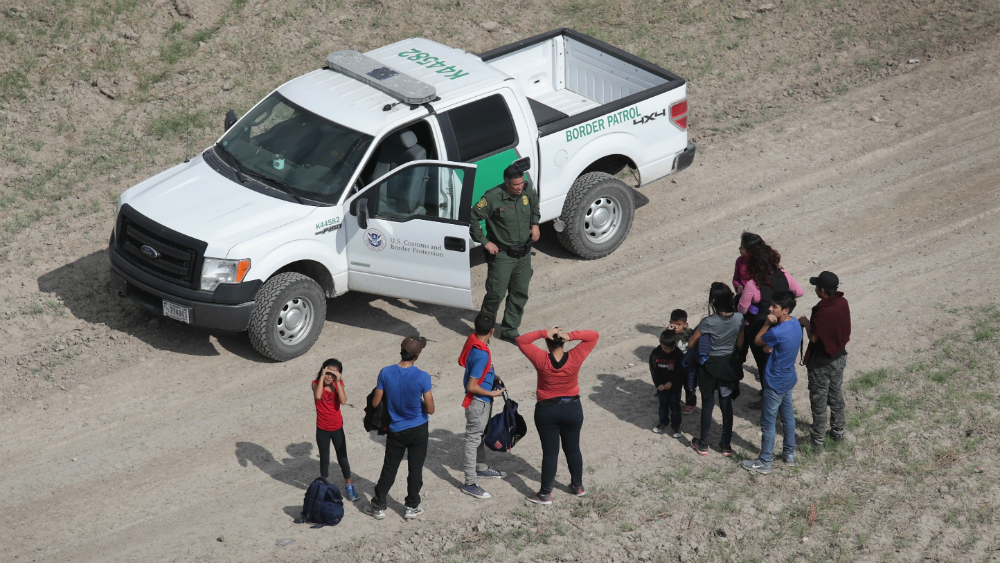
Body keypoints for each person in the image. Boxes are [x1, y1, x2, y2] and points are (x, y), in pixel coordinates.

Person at [516, 326, 599, 504]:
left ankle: (545, 493)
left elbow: (521, 340)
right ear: (563, 341)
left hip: (547, 411)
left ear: (547, 342)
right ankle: (578, 486)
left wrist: (541, 332)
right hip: (573, 409)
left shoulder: (540, 358)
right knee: (573, 448)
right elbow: (593, 336)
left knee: (550, 453)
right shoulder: (575, 356)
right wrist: (571, 335)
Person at [363, 336, 435, 521]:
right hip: (418, 428)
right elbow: (431, 409)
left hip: (396, 430)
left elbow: (376, 401)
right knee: (415, 469)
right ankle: (412, 506)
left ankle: (378, 506)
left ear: (401, 350)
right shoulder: (423, 376)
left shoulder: (385, 372)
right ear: (417, 354)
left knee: (389, 468)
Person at [470, 165, 541, 343]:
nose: (520, 187)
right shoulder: (493, 197)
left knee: (519, 293)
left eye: (522, 183)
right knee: (495, 295)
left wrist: (535, 223)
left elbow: (534, 205)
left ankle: (510, 329)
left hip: (523, 253)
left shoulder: (527, 191)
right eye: (516, 184)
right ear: (506, 183)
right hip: (502, 255)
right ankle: (484, 333)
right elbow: (473, 217)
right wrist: (485, 243)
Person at [737, 242, 803, 408]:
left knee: (763, 362)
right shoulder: (783, 274)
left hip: (760, 326)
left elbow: (742, 308)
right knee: (778, 360)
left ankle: (768, 396)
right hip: (782, 325)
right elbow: (799, 292)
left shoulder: (753, 284)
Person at [742, 291, 801, 475]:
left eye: (774, 306)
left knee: (768, 423)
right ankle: (789, 453)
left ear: (785, 310)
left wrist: (767, 323)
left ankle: (765, 461)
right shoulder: (796, 323)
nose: (770, 308)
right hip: (788, 378)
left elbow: (758, 341)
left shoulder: (777, 331)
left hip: (775, 381)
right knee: (788, 417)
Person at [688, 283, 744, 457]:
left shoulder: (708, 322)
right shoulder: (739, 318)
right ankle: (726, 445)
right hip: (728, 366)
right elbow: (740, 344)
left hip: (708, 368)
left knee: (707, 404)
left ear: (713, 300)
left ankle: (703, 444)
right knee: (726, 405)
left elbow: (691, 344)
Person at [457, 311, 509, 500]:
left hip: (480, 402)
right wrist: (492, 392)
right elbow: (472, 385)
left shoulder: (474, 341)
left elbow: (473, 370)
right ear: (492, 331)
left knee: (480, 436)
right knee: (472, 440)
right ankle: (470, 483)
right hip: (478, 403)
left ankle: (481, 468)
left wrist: (491, 377)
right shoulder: (481, 355)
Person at [798, 271, 851, 452]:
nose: (814, 290)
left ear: (822, 290)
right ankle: (838, 433)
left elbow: (814, 339)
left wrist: (806, 323)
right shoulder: (842, 302)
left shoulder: (821, 311)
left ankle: (817, 442)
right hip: (839, 357)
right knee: (836, 396)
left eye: (816, 287)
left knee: (819, 403)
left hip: (821, 363)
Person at [311, 359, 359, 501]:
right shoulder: (316, 383)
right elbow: (318, 396)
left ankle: (349, 486)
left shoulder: (339, 385)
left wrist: (338, 382)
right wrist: (321, 377)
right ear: (323, 371)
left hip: (337, 428)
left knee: (342, 458)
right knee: (324, 459)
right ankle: (325, 489)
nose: (329, 377)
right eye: (327, 373)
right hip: (322, 429)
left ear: (338, 375)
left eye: (333, 374)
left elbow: (343, 401)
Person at [733, 232, 765, 363]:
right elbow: (735, 279)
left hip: (757, 305)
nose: (739, 249)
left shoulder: (761, 265)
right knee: (741, 335)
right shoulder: (739, 261)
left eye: (742, 247)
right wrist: (738, 287)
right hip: (742, 303)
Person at [649, 330, 685, 437]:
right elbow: (653, 371)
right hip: (661, 388)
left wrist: (672, 382)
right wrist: (658, 384)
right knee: (663, 406)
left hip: (675, 387)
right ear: (660, 342)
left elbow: (681, 371)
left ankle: (676, 427)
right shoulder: (655, 353)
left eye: (671, 348)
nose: (668, 351)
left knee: (675, 407)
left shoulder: (678, 354)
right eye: (665, 348)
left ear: (675, 344)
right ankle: (663, 422)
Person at [668, 309, 698, 414]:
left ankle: (690, 404)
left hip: (688, 365)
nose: (675, 326)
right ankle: (674, 401)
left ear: (685, 324)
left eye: (679, 324)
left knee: (689, 385)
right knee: (675, 385)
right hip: (675, 366)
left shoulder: (690, 333)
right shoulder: (669, 334)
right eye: (673, 323)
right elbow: (664, 344)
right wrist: (668, 332)